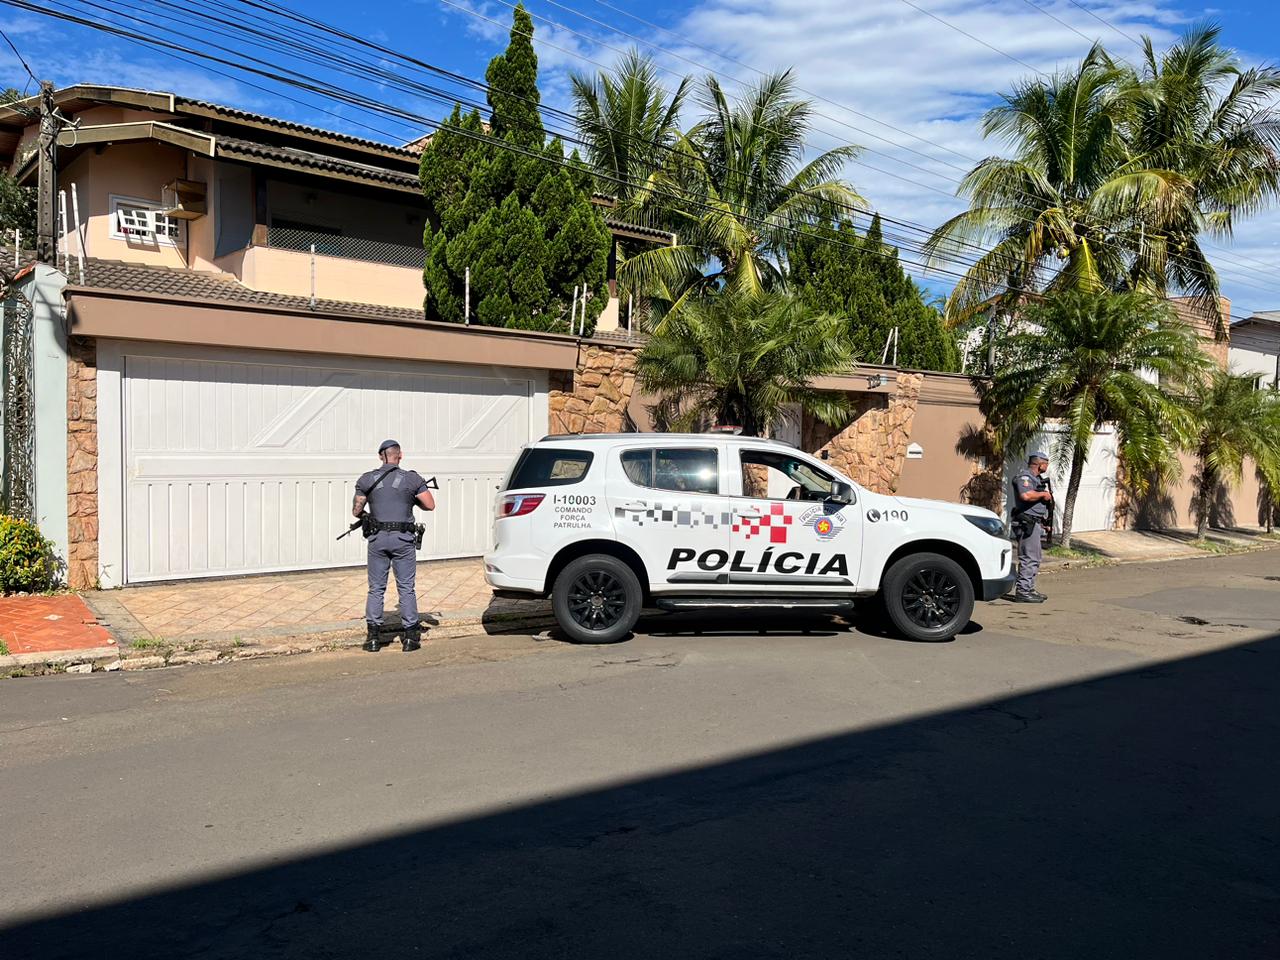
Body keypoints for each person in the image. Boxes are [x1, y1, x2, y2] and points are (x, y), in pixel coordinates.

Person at [353, 440, 436, 652]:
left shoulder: (366, 479)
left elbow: (356, 510)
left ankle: (373, 638)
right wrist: (411, 500)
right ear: (400, 455)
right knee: (406, 587)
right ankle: (410, 637)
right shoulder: (412, 479)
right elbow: (430, 504)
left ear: (381, 456)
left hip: (377, 539)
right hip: (403, 540)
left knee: (376, 588)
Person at [1010, 451, 1052, 603]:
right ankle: (1023, 591)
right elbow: (1025, 496)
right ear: (1039, 464)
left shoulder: (1036, 479)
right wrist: (1042, 495)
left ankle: (1029, 588)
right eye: (1046, 463)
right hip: (1026, 523)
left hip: (1034, 523)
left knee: (1035, 557)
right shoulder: (1025, 477)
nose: (1047, 466)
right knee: (1029, 557)